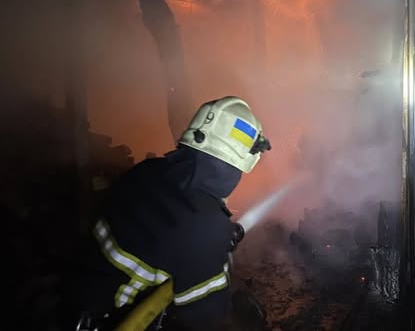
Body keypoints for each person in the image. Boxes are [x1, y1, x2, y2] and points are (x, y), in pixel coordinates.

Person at [62, 96, 271, 330]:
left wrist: (211, 240)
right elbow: (205, 317)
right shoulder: (204, 229)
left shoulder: (148, 171)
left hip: (73, 295)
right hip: (113, 321)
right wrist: (216, 251)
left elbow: (166, 236)